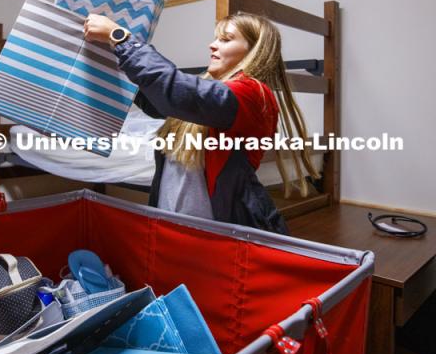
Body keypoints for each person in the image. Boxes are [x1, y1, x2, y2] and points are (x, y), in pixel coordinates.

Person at [84, 12, 319, 235]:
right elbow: (157, 100)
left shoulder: (253, 94)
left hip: (219, 232)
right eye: (216, 38)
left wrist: (120, 38)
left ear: (254, 51)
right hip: (174, 223)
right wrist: (111, 58)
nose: (213, 45)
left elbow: (175, 91)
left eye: (226, 39)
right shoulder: (211, 94)